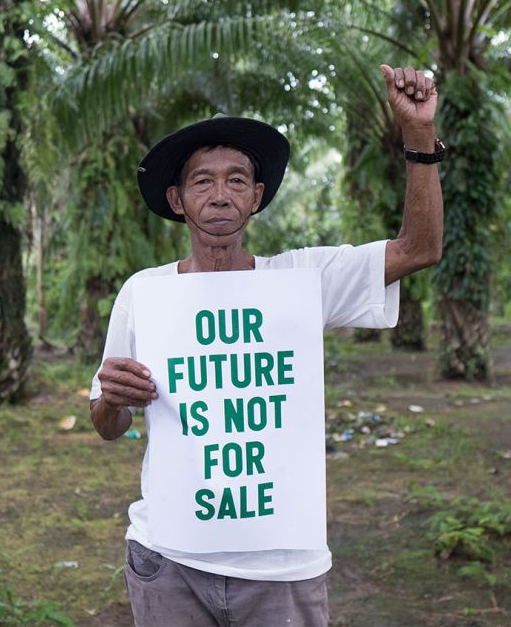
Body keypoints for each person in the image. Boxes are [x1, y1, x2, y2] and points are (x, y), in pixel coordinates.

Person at [90, 65, 444, 627]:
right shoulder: (145, 294)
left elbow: (419, 248)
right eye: (202, 181)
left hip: (283, 569)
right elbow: (109, 425)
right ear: (178, 200)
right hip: (169, 560)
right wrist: (112, 400)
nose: (220, 194)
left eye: (236, 180)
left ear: (256, 198)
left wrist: (419, 139)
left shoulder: (302, 281)